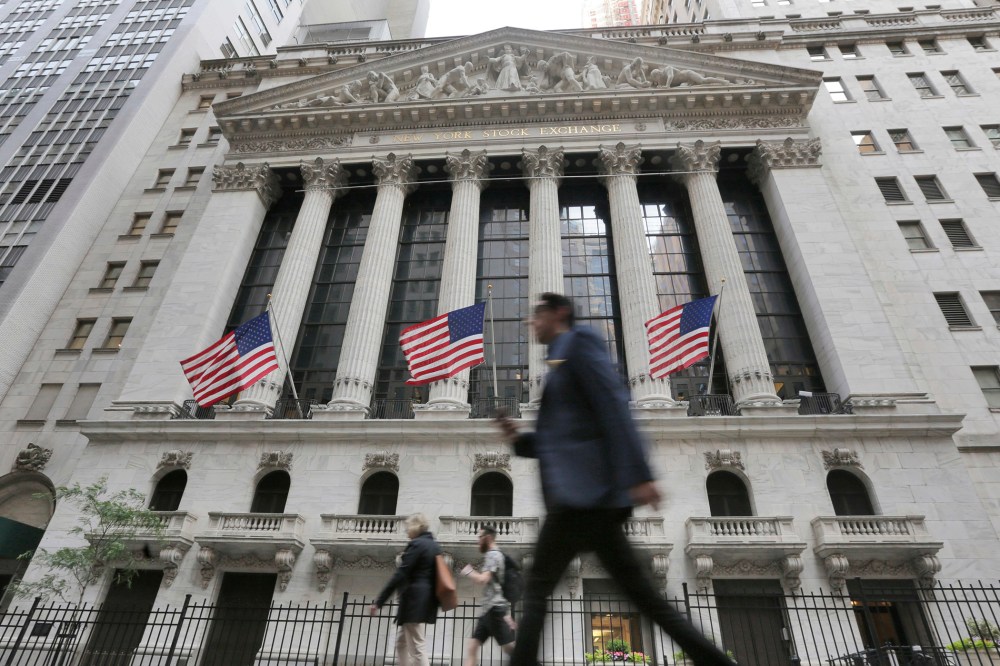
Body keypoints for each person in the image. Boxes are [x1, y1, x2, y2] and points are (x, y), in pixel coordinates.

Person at [496, 293, 738, 666]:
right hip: (583, 501)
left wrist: (638, 473)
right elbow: (560, 439)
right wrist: (519, 440)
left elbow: (612, 404)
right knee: (642, 598)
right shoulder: (560, 362)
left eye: (537, 315)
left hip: (585, 498)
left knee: (539, 589)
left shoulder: (581, 345)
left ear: (558, 313)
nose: (532, 323)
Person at [370, 513, 441, 666]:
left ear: (415, 527)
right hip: (425, 600)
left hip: (414, 601)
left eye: (408, 528)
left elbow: (401, 574)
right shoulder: (434, 546)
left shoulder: (417, 545)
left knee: (417, 646)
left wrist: (379, 602)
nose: (406, 531)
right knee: (401, 644)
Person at [460, 525, 516, 666]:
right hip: (490, 610)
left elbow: (483, 579)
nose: (478, 541)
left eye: (480, 537)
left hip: (494, 609)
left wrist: (468, 571)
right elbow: (499, 586)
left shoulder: (493, 555)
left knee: (509, 648)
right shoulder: (496, 555)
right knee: (472, 647)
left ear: (488, 537)